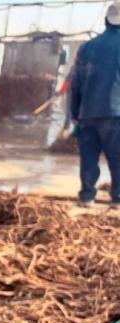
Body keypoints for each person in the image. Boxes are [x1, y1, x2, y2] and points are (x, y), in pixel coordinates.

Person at [71, 2, 120, 207]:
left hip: (87, 112)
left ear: (106, 20)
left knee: (88, 157)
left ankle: (87, 197)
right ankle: (117, 199)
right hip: (115, 113)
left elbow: (76, 82)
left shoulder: (87, 47)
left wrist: (75, 112)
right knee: (117, 157)